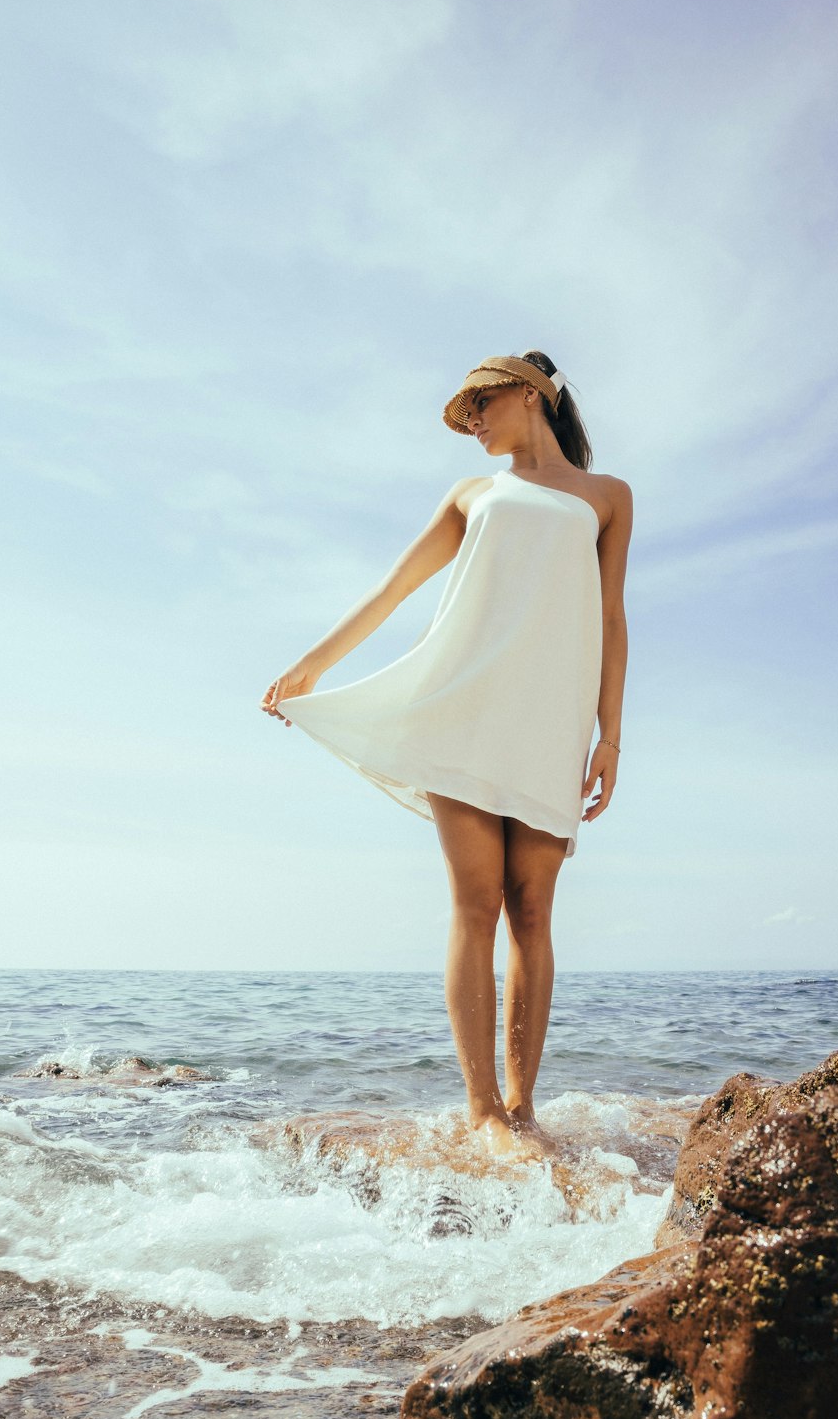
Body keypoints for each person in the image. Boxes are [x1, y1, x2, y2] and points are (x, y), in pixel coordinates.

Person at [260, 351, 632, 1155]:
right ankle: (482, 1111)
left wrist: (610, 735)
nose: (471, 425)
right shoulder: (472, 496)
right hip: (466, 705)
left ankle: (523, 1108)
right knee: (478, 898)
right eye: (465, 414)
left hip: (550, 716)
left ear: (529, 396)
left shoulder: (607, 499)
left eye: (481, 406)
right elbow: (395, 588)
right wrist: (310, 668)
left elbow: (611, 618)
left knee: (534, 907)